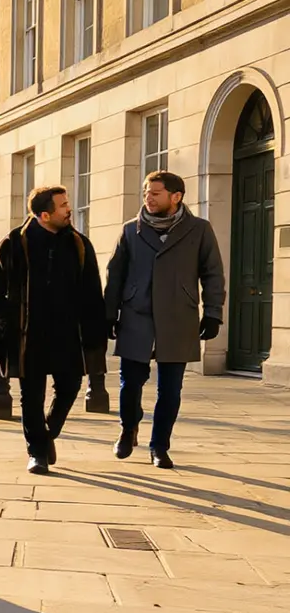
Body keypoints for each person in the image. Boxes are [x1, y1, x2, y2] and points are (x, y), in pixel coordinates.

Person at [103, 171, 226, 469]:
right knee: (130, 384)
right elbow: (115, 275)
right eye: (146, 192)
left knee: (170, 390)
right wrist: (109, 314)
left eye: (155, 193)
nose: (149, 197)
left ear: (176, 196)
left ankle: (159, 446)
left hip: (178, 317)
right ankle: (128, 427)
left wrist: (212, 313)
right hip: (136, 315)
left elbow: (212, 274)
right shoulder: (131, 230)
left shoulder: (199, 230)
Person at [0, 185, 108, 475]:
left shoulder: (79, 244)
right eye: (63, 205)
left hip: (67, 334)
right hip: (29, 334)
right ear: (44, 214)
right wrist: (1, 331)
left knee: (70, 387)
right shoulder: (13, 243)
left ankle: (48, 432)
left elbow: (92, 292)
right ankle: (37, 452)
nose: (69, 209)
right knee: (31, 396)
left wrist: (97, 331)